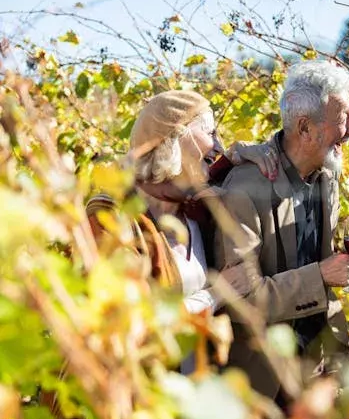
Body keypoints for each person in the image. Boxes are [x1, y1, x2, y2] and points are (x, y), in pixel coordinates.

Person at [86, 90, 272, 370]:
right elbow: (132, 321)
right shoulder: (110, 217)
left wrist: (246, 153)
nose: (218, 145)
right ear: (174, 137)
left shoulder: (194, 210)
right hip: (137, 397)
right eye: (210, 132)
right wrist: (216, 294)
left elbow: (222, 163)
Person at [215, 60, 349, 403]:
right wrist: (321, 275)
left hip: (317, 369)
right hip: (264, 382)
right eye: (343, 119)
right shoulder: (245, 189)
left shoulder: (326, 178)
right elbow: (241, 299)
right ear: (305, 128)